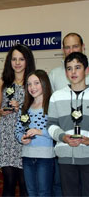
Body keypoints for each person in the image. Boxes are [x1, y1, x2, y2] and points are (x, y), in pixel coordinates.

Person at [48, 32, 87, 196]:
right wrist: (63, 137)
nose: (73, 72)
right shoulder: (57, 96)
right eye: (69, 68)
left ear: (86, 70)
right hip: (64, 156)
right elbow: (51, 125)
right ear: (65, 72)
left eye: (78, 67)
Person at [0, 44, 35, 196]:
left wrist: (21, 107)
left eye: (21, 59)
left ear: (27, 61)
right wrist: (1, 111)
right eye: (14, 59)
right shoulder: (3, 81)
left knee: (25, 182)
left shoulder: (32, 81)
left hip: (25, 135)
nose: (17, 63)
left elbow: (37, 108)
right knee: (9, 182)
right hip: (6, 136)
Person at [15, 70, 55, 196]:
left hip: (45, 157)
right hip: (27, 156)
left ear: (44, 83)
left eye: (36, 83)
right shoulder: (25, 107)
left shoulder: (51, 106)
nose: (32, 87)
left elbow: (57, 130)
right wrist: (21, 138)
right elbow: (18, 129)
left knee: (43, 192)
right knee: (31, 192)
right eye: (29, 84)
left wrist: (39, 132)